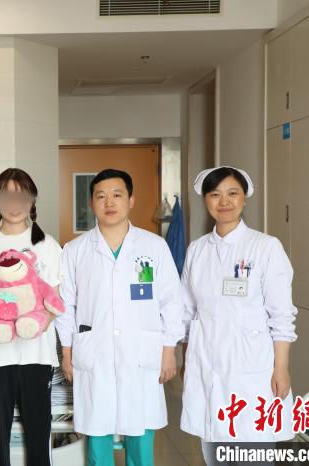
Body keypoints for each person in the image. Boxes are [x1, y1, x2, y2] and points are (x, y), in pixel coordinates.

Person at [56, 169, 184, 466]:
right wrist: (67, 352)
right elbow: (65, 305)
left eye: (117, 195)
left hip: (141, 353)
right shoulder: (75, 250)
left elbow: (171, 302)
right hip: (95, 353)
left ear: (131, 200)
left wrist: (169, 351)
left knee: (140, 431)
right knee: (97, 430)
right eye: (101, 196)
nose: (109, 202)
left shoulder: (153, 246)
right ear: (91, 203)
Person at [180, 166, 297, 465]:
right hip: (207, 365)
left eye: (233, 193)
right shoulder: (197, 250)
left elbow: (281, 315)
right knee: (214, 450)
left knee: (253, 449)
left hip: (253, 368)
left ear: (244, 198)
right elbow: (187, 311)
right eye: (215, 194)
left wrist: (281, 367)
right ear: (205, 200)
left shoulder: (265, 247)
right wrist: (186, 357)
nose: (224, 202)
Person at [0, 168, 62, 466]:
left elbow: (55, 299)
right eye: (7, 195)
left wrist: (34, 326)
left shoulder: (46, 244)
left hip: (36, 353)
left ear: (32, 199)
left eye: (21, 196)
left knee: (38, 432)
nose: (14, 203)